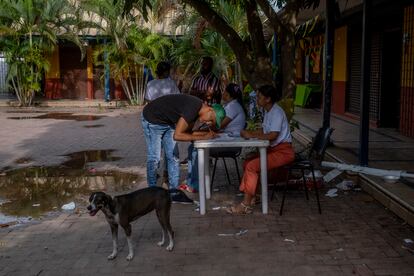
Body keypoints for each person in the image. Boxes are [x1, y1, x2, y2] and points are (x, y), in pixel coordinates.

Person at [141, 94, 226, 204]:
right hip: (152, 119)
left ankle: (174, 193)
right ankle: (151, 194)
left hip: (168, 122)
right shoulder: (192, 109)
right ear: (209, 109)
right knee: (155, 157)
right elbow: (178, 135)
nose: (208, 123)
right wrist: (203, 136)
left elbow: (189, 133)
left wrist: (205, 136)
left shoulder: (197, 111)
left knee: (174, 156)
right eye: (211, 119)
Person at [227, 85, 295, 214]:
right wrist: (249, 132)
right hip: (274, 149)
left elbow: (273, 135)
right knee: (247, 162)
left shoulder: (277, 112)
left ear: (268, 99)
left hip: (283, 152)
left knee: (252, 166)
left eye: (259, 97)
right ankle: (256, 196)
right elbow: (264, 130)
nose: (257, 99)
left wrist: (251, 134)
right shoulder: (268, 111)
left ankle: (246, 205)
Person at [181, 83, 246, 193]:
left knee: (196, 149)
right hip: (225, 139)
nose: (222, 93)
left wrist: (201, 130)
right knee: (192, 147)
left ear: (229, 95)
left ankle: (195, 185)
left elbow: (218, 126)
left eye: (224, 92)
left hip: (230, 144)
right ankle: (191, 181)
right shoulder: (231, 105)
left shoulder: (233, 106)